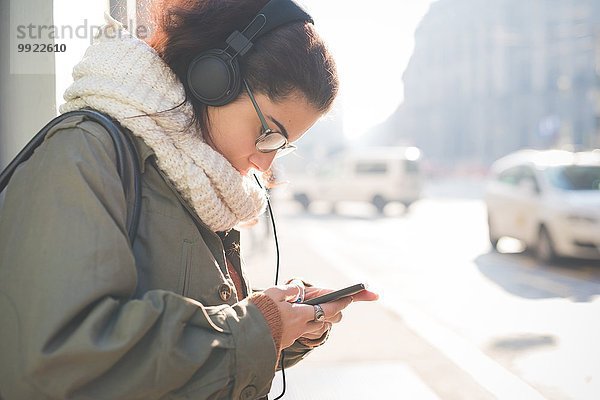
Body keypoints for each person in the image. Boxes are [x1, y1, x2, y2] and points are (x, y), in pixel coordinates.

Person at [0, 0, 378, 399]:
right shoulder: (83, 154)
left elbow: (177, 355)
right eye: (268, 133)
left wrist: (284, 327)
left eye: (282, 147)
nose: (265, 162)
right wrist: (259, 326)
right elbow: (59, 360)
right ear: (214, 79)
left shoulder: (193, 175)